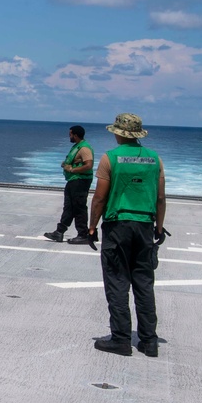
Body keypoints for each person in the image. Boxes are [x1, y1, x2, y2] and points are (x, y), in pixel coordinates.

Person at [86, 113, 166, 358]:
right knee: (144, 283)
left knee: (118, 282)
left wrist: (91, 227)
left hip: (118, 227)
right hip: (145, 226)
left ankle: (121, 339)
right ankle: (149, 341)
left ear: (119, 133)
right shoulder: (155, 159)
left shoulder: (110, 158)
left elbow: (99, 198)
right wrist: (159, 228)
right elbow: (161, 198)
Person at [43, 125, 94, 245]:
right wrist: (66, 165)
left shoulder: (84, 148)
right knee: (69, 207)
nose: (69, 136)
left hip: (80, 181)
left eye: (70, 134)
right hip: (73, 181)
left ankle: (83, 235)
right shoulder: (77, 147)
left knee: (79, 208)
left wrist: (72, 170)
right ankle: (59, 232)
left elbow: (89, 165)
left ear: (75, 135)